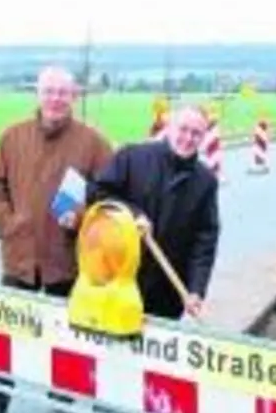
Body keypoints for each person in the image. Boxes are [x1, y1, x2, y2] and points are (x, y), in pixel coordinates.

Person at [0, 65, 114, 413]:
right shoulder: (12, 137)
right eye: (49, 91)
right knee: (5, 334)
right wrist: (8, 225)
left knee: (65, 333)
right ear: (37, 94)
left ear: (74, 96)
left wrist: (84, 216)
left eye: (63, 92)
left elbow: (111, 197)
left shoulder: (93, 143)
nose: (55, 98)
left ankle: (62, 393)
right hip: (19, 258)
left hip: (65, 259)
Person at [87, 104, 220, 321]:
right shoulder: (132, 157)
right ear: (169, 127)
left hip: (167, 294)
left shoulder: (206, 182)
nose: (188, 138)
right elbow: (98, 192)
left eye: (196, 134)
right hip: (120, 281)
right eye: (183, 129)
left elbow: (204, 240)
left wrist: (196, 289)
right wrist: (132, 213)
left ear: (204, 137)